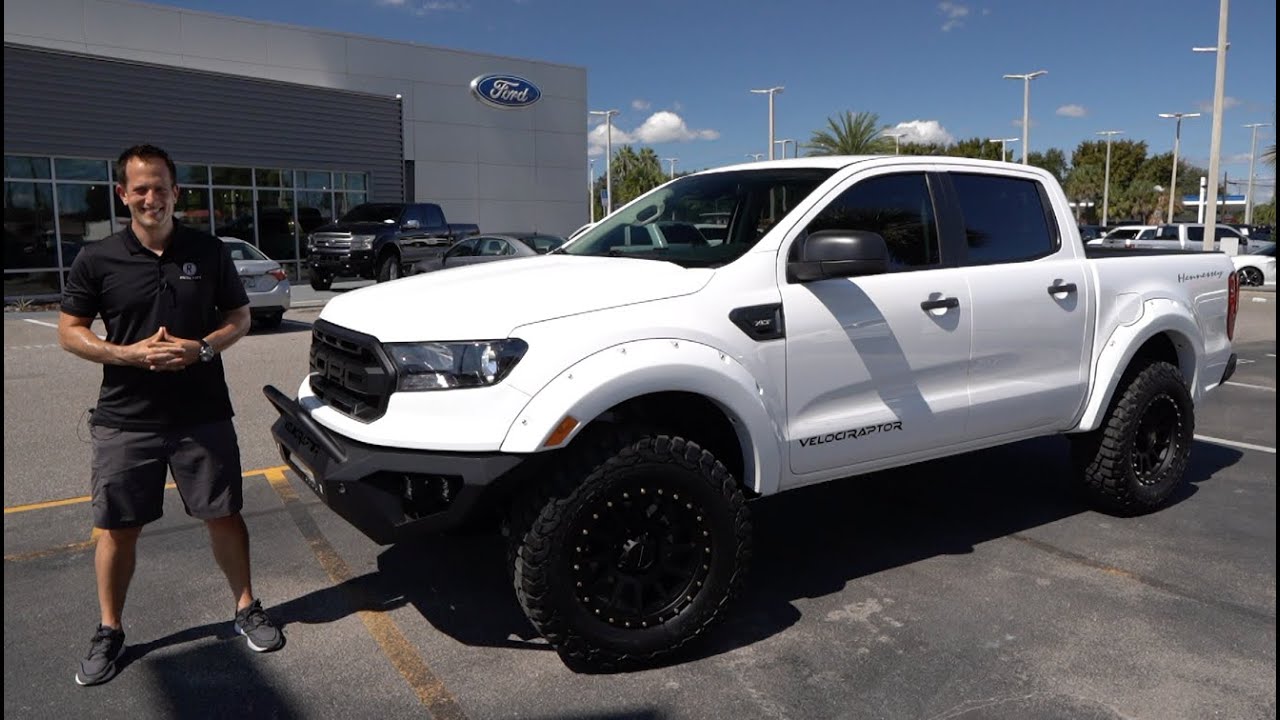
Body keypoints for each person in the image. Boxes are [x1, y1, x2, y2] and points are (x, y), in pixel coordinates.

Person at [58, 144, 283, 687]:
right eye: (140, 188)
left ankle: (246, 606)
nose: (150, 197)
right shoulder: (98, 259)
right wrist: (126, 354)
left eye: (160, 186)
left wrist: (201, 349)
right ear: (123, 194)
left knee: (224, 514)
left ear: (176, 192)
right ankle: (110, 629)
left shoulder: (207, 251)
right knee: (116, 527)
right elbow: (70, 330)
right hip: (125, 418)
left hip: (201, 412)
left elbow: (239, 316)